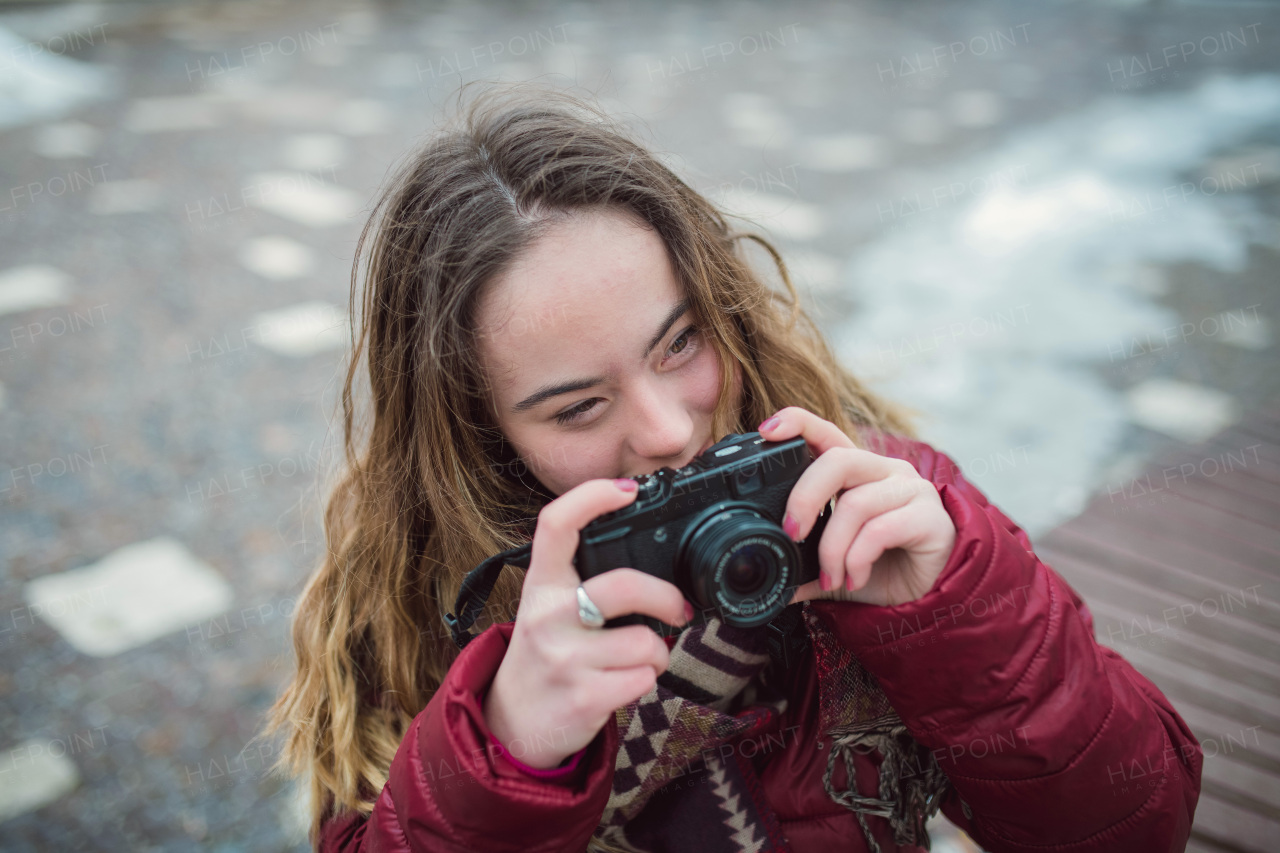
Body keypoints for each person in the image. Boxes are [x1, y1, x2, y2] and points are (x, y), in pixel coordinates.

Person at [263, 83, 1202, 853]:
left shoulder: (865, 495)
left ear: (721, 303)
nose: (669, 428)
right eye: (580, 406)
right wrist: (508, 752)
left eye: (680, 343)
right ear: (479, 431)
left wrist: (957, 610)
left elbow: (1137, 825)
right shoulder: (429, 613)